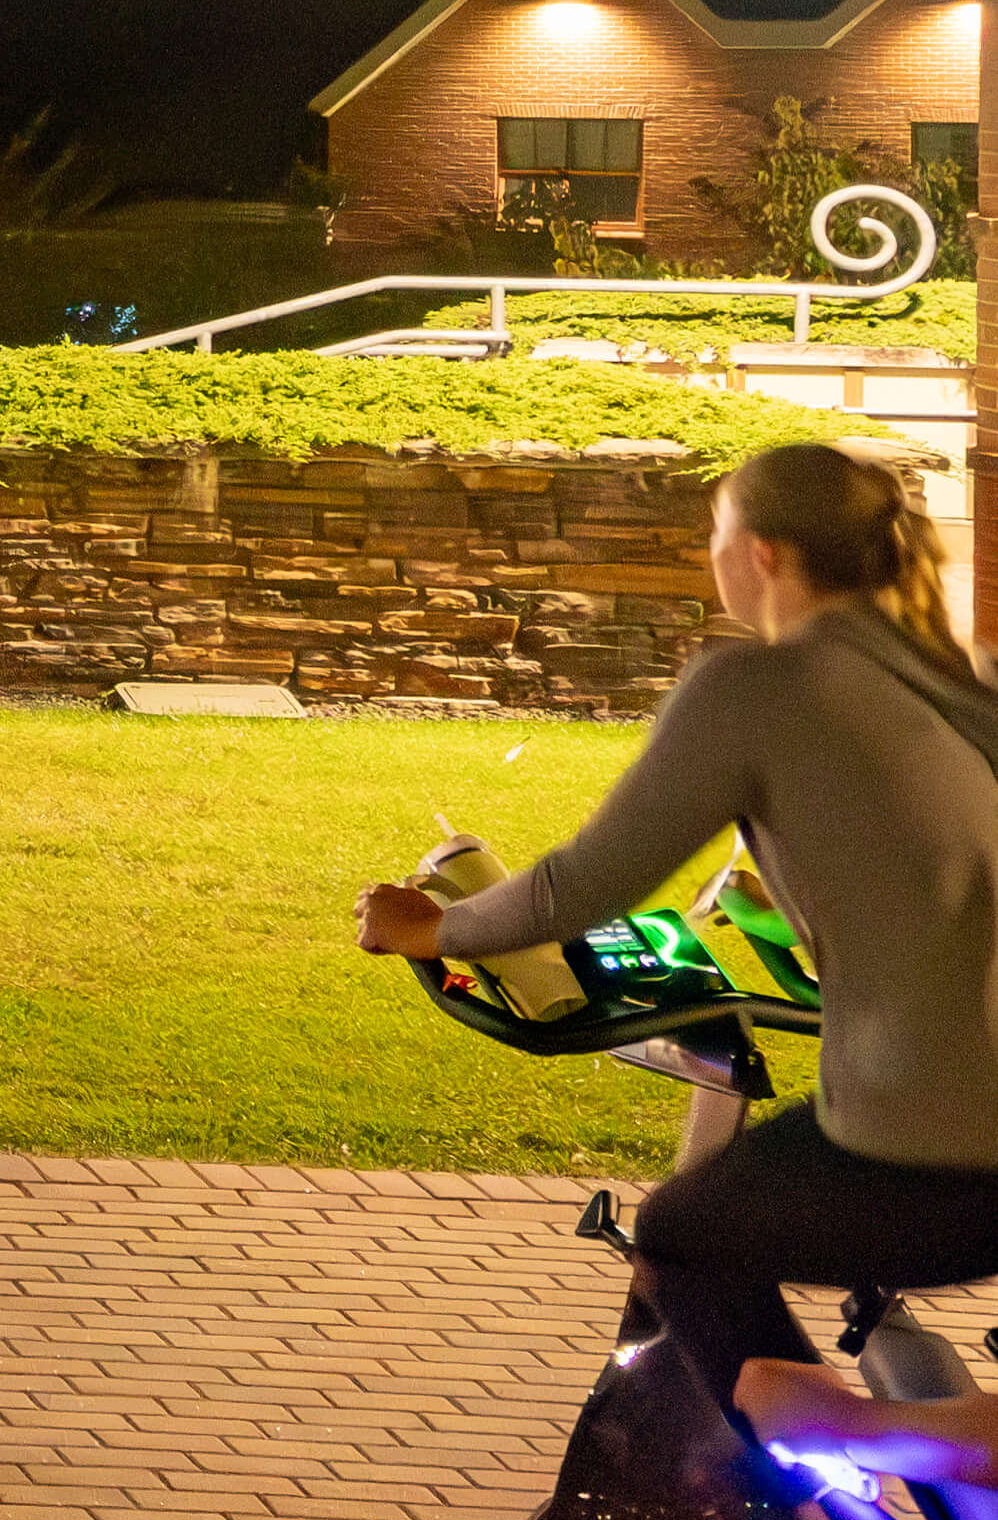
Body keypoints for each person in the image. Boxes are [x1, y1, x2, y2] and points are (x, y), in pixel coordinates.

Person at [356, 441, 998, 1411]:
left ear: (765, 555)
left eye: (718, 534)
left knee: (679, 1234)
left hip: (924, 1160)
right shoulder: (964, 683)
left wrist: (430, 932)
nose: (715, 556)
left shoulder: (753, 686)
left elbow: (577, 888)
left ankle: (846, 1490)